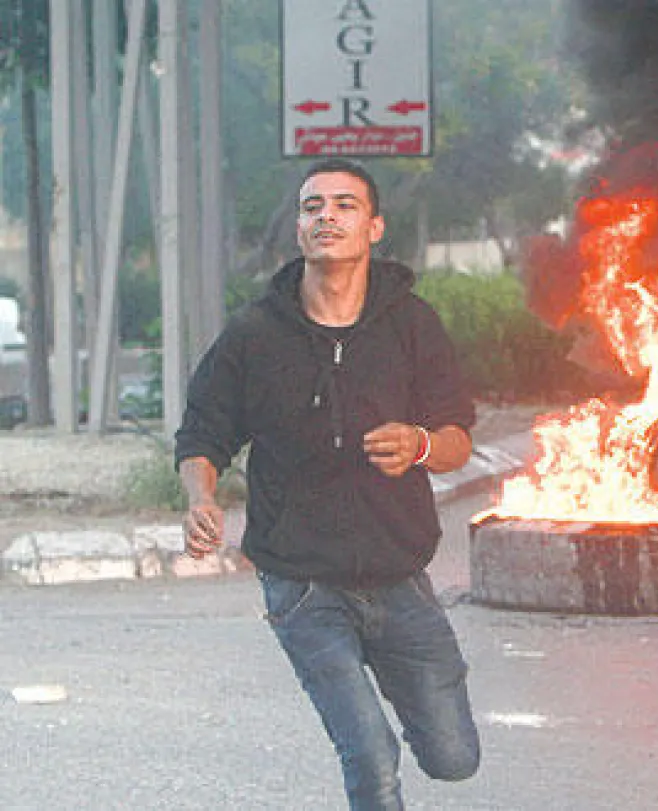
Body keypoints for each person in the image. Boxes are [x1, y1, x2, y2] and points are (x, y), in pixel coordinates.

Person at [175, 158, 481, 809]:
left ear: (374, 228)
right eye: (313, 207)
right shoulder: (255, 334)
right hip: (302, 581)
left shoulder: (412, 324)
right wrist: (201, 498)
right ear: (297, 229)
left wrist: (420, 443)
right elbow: (202, 433)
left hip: (399, 576)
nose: (327, 216)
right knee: (370, 755)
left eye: (345, 205)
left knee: (454, 757)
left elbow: (457, 438)